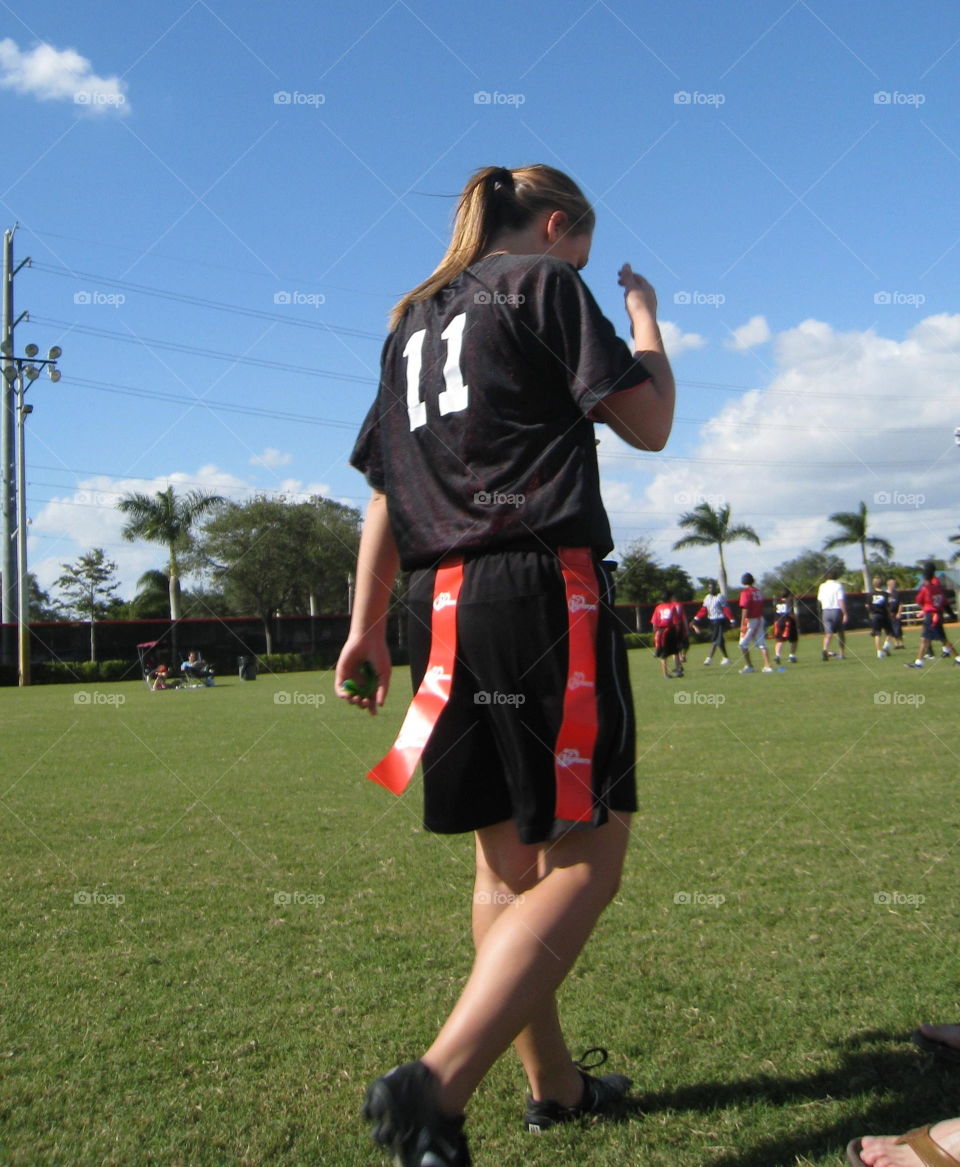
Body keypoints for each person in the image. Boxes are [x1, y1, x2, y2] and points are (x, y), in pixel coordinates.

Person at [335, 163, 675, 1167]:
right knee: (589, 856)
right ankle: (434, 1087)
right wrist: (646, 319)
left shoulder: (410, 323)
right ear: (558, 226)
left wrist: (362, 627)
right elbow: (649, 422)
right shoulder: (543, 285)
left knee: (506, 861)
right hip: (540, 590)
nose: (578, 261)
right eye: (578, 244)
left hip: (437, 606)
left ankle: (555, 1086)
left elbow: (388, 493)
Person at [905, 561, 960, 669]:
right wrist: (951, 614)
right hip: (937, 615)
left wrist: (924, 608)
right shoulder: (937, 588)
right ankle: (919, 662)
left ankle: (958, 659)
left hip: (931, 616)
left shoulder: (926, 589)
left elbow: (919, 600)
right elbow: (944, 602)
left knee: (942, 639)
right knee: (925, 639)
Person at [690, 580, 734, 666]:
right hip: (712, 621)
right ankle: (726, 658)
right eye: (709, 587)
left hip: (720, 620)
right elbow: (703, 610)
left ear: (716, 588)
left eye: (712, 587)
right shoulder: (707, 598)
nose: (711, 589)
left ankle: (709, 658)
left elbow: (725, 609)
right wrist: (695, 620)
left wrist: (732, 620)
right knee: (719, 640)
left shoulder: (720, 597)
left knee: (716, 639)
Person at [737, 572, 773, 674]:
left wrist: (742, 622)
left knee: (742, 644)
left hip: (750, 620)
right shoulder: (758, 591)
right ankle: (767, 666)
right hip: (760, 618)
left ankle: (749, 666)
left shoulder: (745, 593)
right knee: (762, 644)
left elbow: (745, 608)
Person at [651, 591, 683, 678]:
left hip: (661, 631)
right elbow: (676, 622)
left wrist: (655, 633)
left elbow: (654, 623)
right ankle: (678, 671)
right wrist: (678, 633)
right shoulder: (673, 607)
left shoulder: (658, 608)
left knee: (663, 654)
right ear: (670, 598)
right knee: (675, 652)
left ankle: (665, 674)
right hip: (670, 630)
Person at [817, 569, 847, 661]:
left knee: (828, 633)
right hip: (836, 610)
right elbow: (840, 600)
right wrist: (845, 613)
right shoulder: (838, 586)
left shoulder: (822, 586)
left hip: (825, 611)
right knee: (840, 632)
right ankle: (842, 653)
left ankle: (825, 649)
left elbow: (820, 599)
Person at [868, 575, 894, 659]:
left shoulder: (870, 594)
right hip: (884, 615)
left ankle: (879, 652)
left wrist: (870, 613)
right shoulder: (886, 594)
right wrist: (890, 613)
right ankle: (886, 645)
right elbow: (888, 606)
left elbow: (867, 605)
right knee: (890, 632)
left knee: (877, 634)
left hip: (875, 615)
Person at [772, 589, 798, 666]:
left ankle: (777, 655)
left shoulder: (777, 601)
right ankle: (792, 656)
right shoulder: (789, 601)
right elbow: (791, 613)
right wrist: (796, 620)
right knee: (794, 640)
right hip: (788, 622)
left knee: (779, 640)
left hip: (778, 622)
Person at [886, 578, 905, 650]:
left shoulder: (897, 593)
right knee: (891, 630)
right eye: (892, 584)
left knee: (898, 629)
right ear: (889, 584)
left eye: (894, 584)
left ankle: (901, 643)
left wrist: (899, 613)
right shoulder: (885, 594)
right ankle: (896, 644)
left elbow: (900, 604)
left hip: (896, 614)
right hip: (889, 615)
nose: (894, 585)